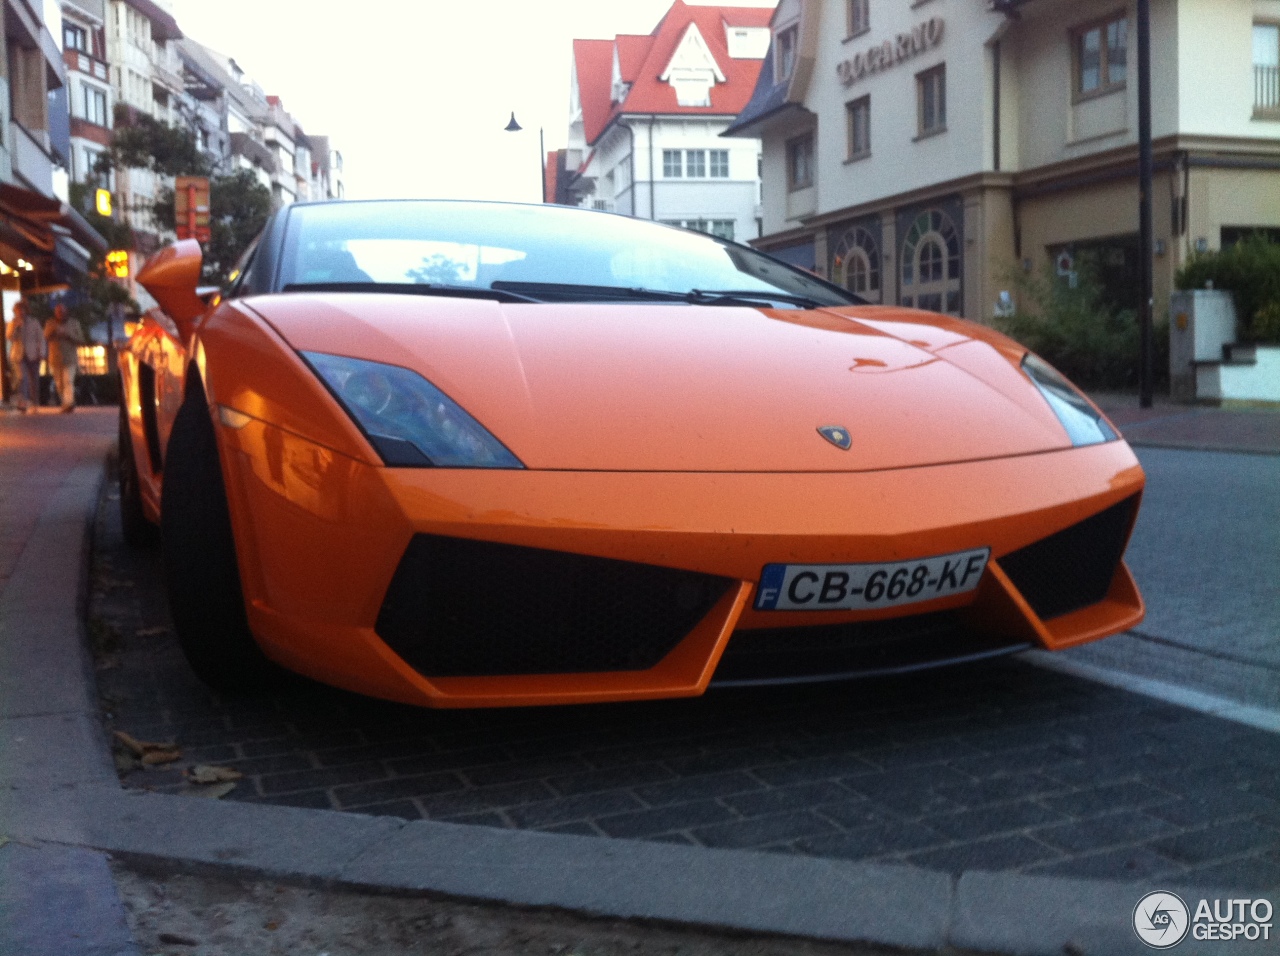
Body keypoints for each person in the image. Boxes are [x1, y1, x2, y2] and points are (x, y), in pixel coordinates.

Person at [43, 303, 81, 413]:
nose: (61, 314)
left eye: (63, 311)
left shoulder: (74, 323)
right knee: (59, 383)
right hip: (55, 358)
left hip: (70, 358)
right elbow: (45, 336)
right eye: (58, 312)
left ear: (66, 312)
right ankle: (65, 403)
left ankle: (69, 403)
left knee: (68, 381)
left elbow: (80, 339)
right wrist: (54, 331)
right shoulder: (50, 323)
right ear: (55, 313)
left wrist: (68, 335)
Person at [6, 300, 44, 412]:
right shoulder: (12, 323)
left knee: (34, 380)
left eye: (22, 310)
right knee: (22, 378)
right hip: (19, 355)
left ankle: (34, 403)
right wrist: (15, 327)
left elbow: (40, 338)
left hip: (33, 354)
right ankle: (22, 402)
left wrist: (41, 352)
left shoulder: (34, 322)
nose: (20, 313)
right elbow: (10, 338)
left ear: (26, 311)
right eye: (17, 311)